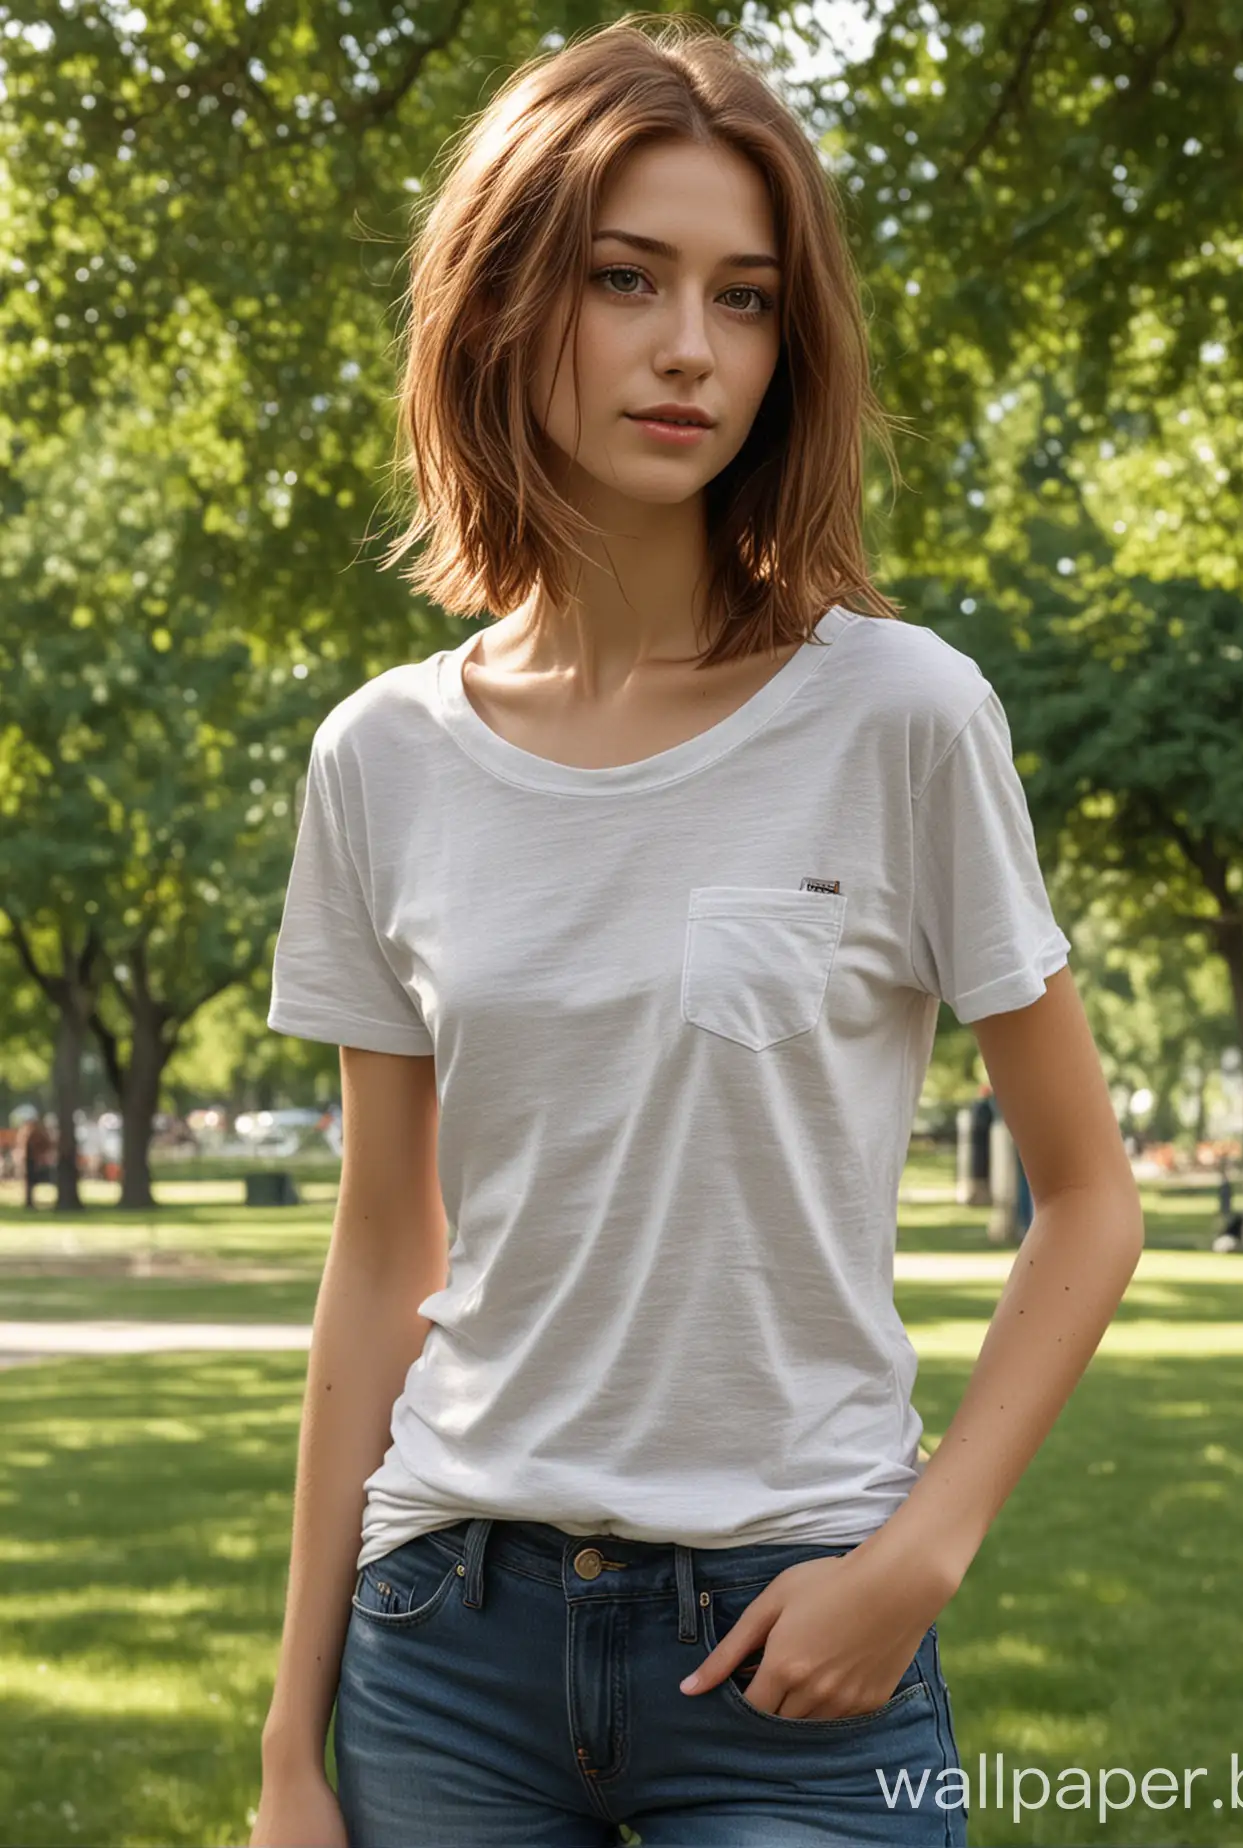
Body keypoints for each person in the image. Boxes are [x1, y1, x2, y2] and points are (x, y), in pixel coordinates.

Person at [252, 17, 1145, 1846]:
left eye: (744, 300)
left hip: (805, 1640)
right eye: (624, 279)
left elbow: (1091, 1192)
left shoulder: (903, 714)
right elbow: (376, 1260)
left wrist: (921, 1554)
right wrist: (289, 1747)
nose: (689, 350)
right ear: (503, 304)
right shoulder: (381, 759)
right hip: (443, 1643)